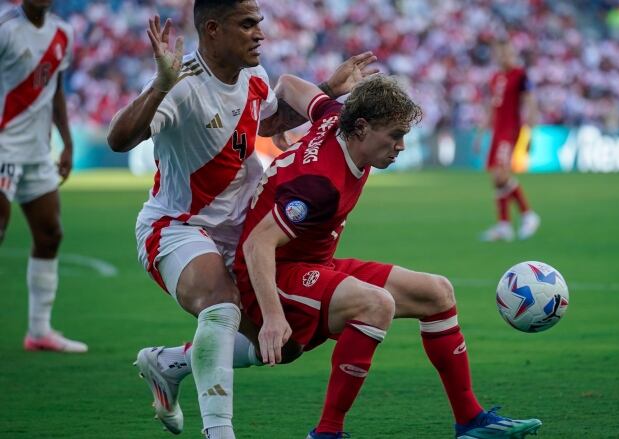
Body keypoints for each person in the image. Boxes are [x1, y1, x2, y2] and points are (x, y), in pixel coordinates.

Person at [106, 1, 376, 437]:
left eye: (260, 23)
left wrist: (329, 88)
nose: (259, 33)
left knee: (286, 345)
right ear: (213, 30)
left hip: (240, 227)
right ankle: (219, 431)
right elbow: (119, 138)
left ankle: (170, 362)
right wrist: (159, 85)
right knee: (220, 301)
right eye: (247, 24)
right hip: (178, 226)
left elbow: (269, 124)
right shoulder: (182, 84)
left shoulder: (254, 76)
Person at [231, 74, 543, 438]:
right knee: (375, 305)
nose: (402, 147)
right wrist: (271, 317)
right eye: (395, 135)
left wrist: (279, 128)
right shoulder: (320, 185)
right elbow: (257, 245)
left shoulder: (336, 115)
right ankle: (327, 433)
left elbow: (286, 83)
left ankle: (470, 421)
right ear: (362, 128)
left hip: (311, 264)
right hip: (271, 274)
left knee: (437, 293)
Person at [0, 0, 87, 353]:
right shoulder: (6, 29)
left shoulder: (62, 33)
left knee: (50, 234)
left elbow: (56, 91)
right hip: (3, 146)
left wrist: (66, 143)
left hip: (37, 151)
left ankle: (39, 332)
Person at [480, 40, 540, 242]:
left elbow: (530, 102)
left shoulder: (520, 75)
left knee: (501, 174)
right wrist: (481, 133)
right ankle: (504, 226)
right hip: (497, 132)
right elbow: (492, 107)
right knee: (496, 178)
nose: (502, 57)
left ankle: (528, 214)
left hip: (510, 131)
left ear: (512, 55)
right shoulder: (496, 77)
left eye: (506, 54)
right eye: (500, 54)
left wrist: (529, 133)